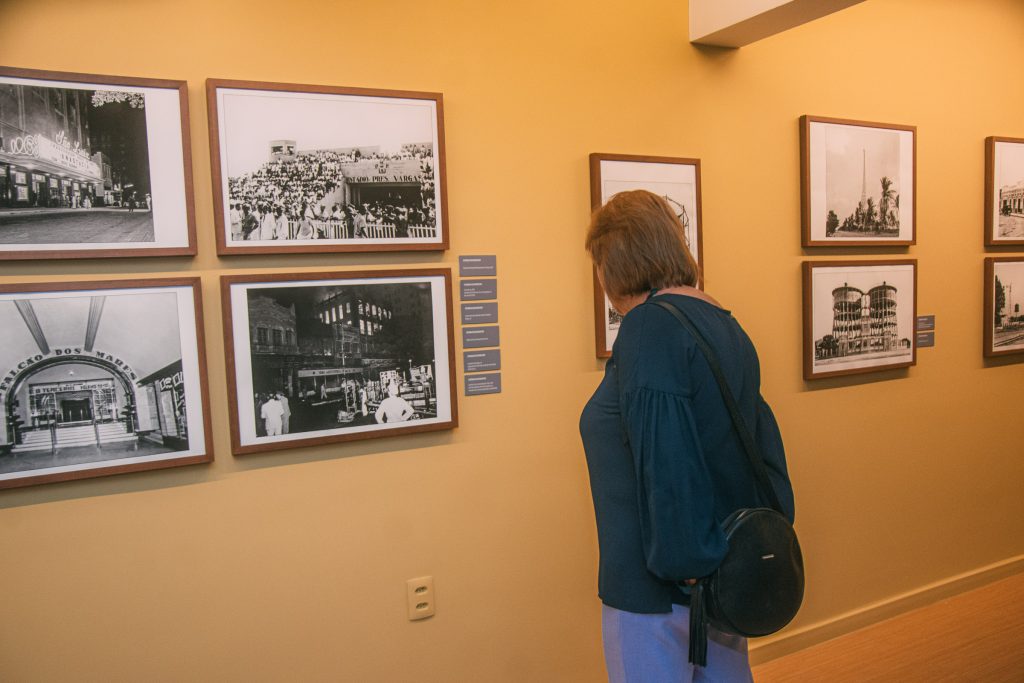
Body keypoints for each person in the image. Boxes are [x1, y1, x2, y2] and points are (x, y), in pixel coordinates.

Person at [579, 190, 794, 682]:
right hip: (718, 575)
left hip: (660, 588)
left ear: (616, 260)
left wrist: (689, 563)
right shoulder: (720, 321)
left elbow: (667, 453)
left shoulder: (648, 328)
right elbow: (759, 443)